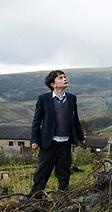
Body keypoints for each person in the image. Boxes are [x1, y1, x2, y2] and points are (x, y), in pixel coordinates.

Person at [21, 70, 85, 201]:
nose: (65, 79)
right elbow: (36, 121)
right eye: (60, 78)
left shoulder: (72, 98)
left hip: (66, 143)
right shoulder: (44, 99)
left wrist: (81, 138)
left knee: (64, 171)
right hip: (48, 143)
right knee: (42, 171)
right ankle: (35, 197)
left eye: (65, 77)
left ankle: (63, 196)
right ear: (53, 84)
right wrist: (34, 140)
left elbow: (75, 120)